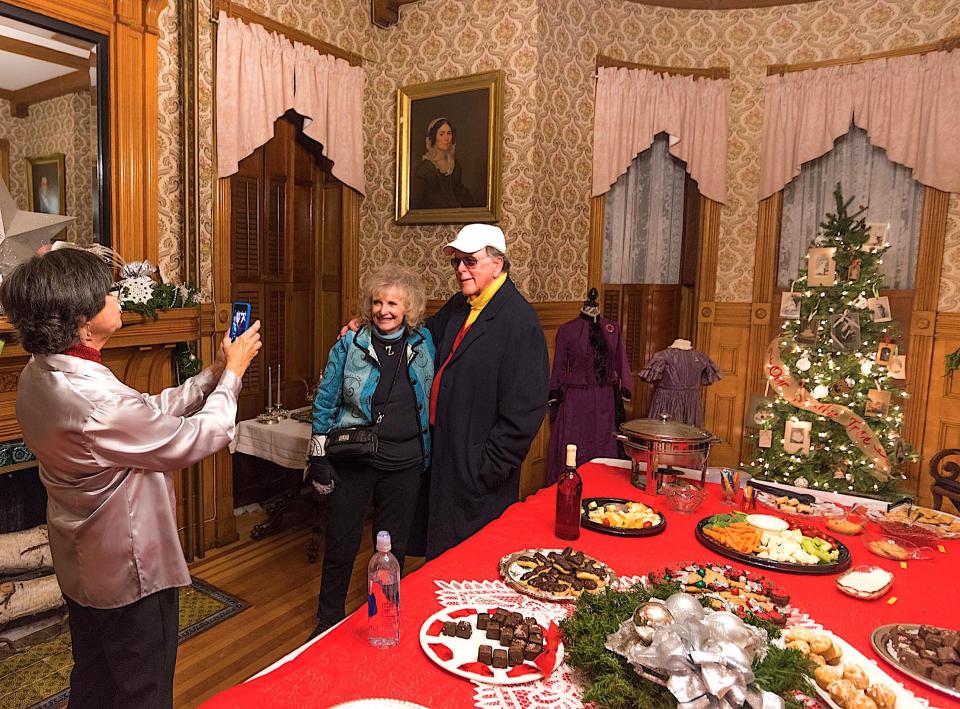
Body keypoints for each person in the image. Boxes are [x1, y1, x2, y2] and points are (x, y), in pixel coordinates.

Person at [0, 247, 261, 709]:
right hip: (129, 570)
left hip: (81, 562)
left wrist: (212, 375)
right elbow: (201, 436)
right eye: (106, 292)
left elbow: (145, 414)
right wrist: (235, 376)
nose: (117, 296)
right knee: (144, 693)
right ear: (83, 321)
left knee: (95, 680)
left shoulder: (40, 374)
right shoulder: (93, 400)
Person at [307, 267, 435, 637]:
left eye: (393, 302)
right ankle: (326, 620)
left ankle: (382, 618)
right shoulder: (350, 343)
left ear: (408, 307)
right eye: (378, 302)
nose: (384, 310)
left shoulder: (424, 342)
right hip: (356, 461)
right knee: (342, 543)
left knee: (391, 553)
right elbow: (326, 400)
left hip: (407, 464)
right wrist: (318, 456)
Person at [423, 224, 548, 558]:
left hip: (479, 470)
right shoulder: (459, 305)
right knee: (440, 560)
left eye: (471, 261)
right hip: (445, 454)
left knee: (473, 564)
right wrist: (370, 325)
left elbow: (526, 410)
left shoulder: (520, 321)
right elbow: (423, 337)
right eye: (457, 262)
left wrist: (488, 467)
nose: (461, 269)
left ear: (498, 264)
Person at [410, 117, 475, 209]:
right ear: (433, 137)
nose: (446, 138)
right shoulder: (424, 169)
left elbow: (460, 193)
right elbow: (416, 201)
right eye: (441, 134)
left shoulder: (455, 166)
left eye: (449, 133)